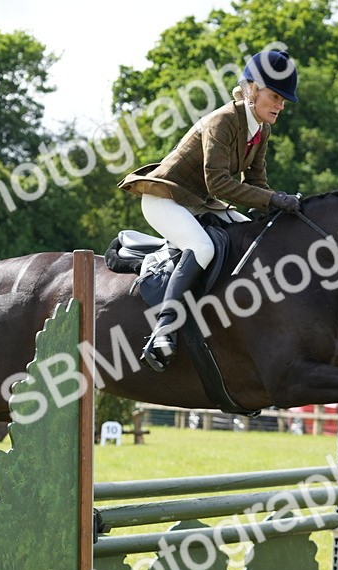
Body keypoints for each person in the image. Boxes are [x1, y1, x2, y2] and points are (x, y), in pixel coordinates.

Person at [118, 49, 302, 371]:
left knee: (251, 235)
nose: (280, 106)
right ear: (252, 90)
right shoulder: (222, 121)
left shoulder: (261, 130)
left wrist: (283, 205)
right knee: (201, 247)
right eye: (275, 96)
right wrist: (272, 201)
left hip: (201, 203)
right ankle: (163, 330)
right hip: (166, 198)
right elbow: (217, 183)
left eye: (283, 100)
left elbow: (256, 182)